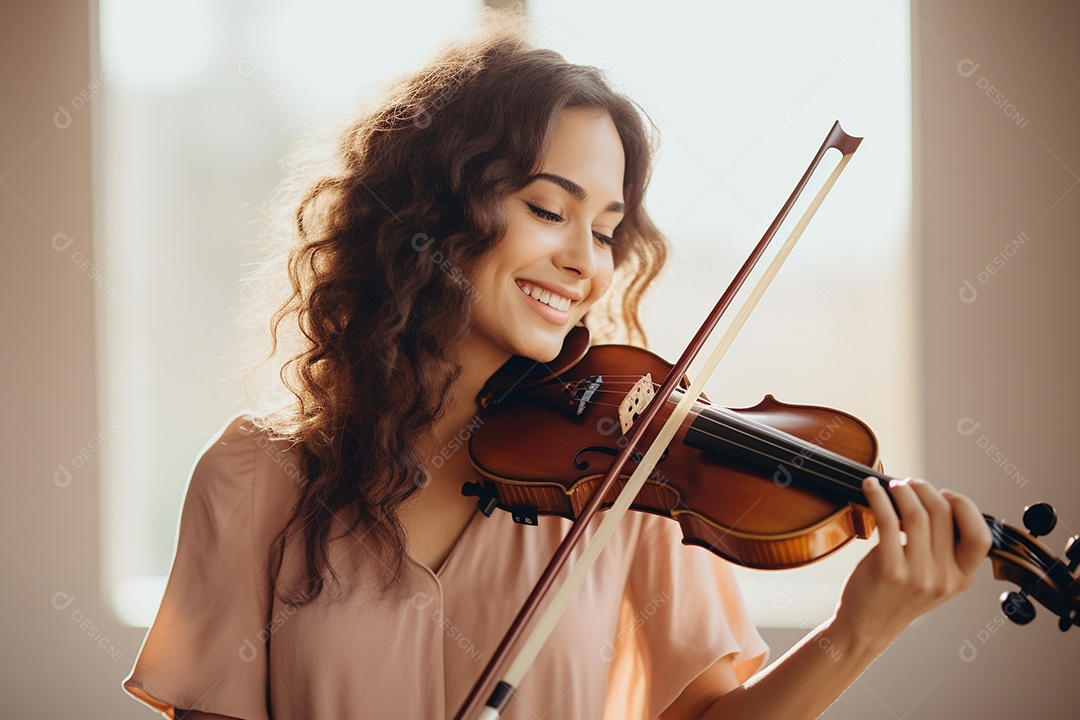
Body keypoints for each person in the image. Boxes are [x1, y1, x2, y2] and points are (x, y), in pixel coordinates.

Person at [121, 11, 992, 720]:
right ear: (434, 208)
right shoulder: (254, 480)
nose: (588, 262)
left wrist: (859, 632)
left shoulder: (635, 477)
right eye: (549, 209)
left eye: (608, 231)